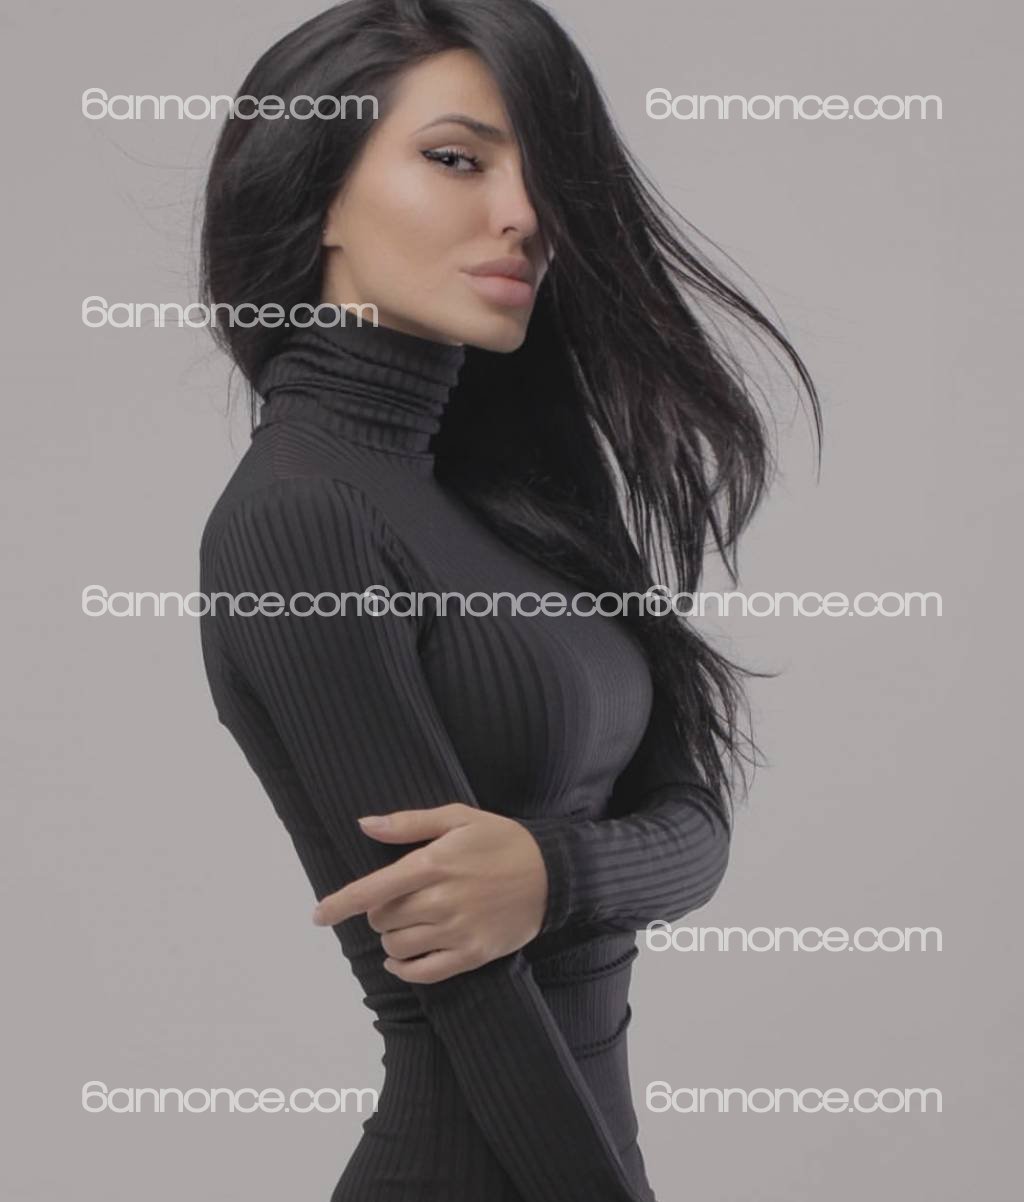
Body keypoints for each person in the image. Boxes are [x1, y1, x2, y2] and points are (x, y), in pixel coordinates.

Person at [197, 2, 822, 1199]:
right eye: (456, 158)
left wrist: (554, 871)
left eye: (546, 172)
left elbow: (697, 823)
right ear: (316, 189)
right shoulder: (299, 519)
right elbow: (471, 1005)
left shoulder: (512, 494)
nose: (527, 214)